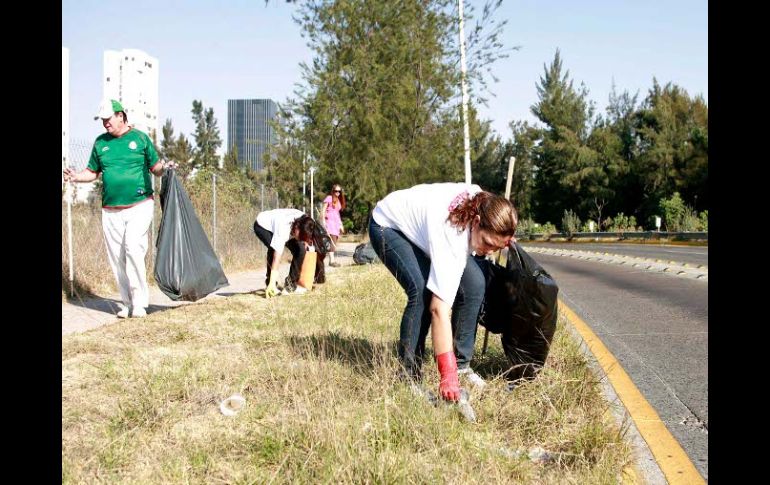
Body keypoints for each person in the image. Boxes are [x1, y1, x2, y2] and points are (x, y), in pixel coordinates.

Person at [368, 183, 517, 402]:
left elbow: (498, 221)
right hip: (389, 226)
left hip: (426, 227)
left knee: (474, 283)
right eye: (486, 243)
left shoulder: (483, 203)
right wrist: (445, 374)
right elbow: (439, 310)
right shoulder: (452, 236)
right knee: (422, 292)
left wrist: (504, 238)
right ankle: (409, 377)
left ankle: (461, 366)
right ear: (476, 222)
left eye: (497, 248)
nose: (488, 251)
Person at [63, 98, 176, 319]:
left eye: (108, 119)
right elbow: (92, 172)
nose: (105, 123)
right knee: (117, 257)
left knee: (133, 248)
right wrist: (76, 177)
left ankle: (140, 303)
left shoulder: (140, 138)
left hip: (140, 204)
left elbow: (156, 169)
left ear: (120, 116)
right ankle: (127, 303)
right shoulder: (100, 143)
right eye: (102, 120)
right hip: (110, 208)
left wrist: (166, 167)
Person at [253, 209, 325, 297]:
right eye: (301, 237)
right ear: (296, 228)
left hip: (287, 227)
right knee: (273, 248)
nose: (302, 240)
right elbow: (277, 257)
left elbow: (312, 239)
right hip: (262, 225)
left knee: (300, 250)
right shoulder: (283, 228)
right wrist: (272, 282)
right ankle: (271, 284)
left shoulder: (307, 222)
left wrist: (306, 242)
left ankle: (290, 285)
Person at [320, 184, 346, 267]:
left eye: (339, 191)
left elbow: (337, 214)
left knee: (334, 241)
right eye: (336, 191)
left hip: (336, 224)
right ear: (333, 191)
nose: (337, 193)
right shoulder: (329, 198)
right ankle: (331, 261)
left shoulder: (338, 201)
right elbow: (323, 210)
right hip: (329, 222)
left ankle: (331, 260)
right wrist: (323, 221)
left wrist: (341, 225)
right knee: (332, 241)